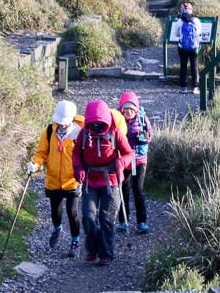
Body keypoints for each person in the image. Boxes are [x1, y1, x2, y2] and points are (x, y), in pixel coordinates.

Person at [72, 99, 133, 265]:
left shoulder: (115, 133)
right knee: (88, 217)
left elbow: (129, 153)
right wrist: (78, 168)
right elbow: (76, 154)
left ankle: (106, 253)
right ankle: (92, 249)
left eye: (100, 124)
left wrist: (121, 162)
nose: (96, 127)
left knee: (106, 218)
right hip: (90, 181)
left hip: (111, 182)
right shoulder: (84, 134)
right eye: (93, 124)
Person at [27, 101, 85, 257]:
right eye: (60, 121)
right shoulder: (49, 131)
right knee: (55, 212)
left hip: (72, 181)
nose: (62, 124)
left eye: (65, 121)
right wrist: (36, 165)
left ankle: (75, 241)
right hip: (53, 180)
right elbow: (41, 153)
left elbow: (84, 155)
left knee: (72, 212)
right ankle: (57, 229)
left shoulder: (80, 133)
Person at [116, 91, 154, 233]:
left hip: (139, 160)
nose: (129, 112)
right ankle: (123, 221)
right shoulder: (118, 120)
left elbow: (149, 136)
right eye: (126, 109)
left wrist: (141, 137)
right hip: (124, 160)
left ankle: (141, 221)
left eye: (131, 109)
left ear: (136, 109)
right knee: (123, 190)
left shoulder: (142, 118)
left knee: (138, 189)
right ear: (122, 109)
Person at [177, 1, 201, 94]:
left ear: (182, 11)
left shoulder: (180, 21)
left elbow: (176, 34)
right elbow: (199, 33)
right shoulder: (196, 20)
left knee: (183, 66)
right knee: (194, 67)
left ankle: (183, 88)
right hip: (194, 47)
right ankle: (195, 87)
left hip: (182, 47)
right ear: (191, 10)